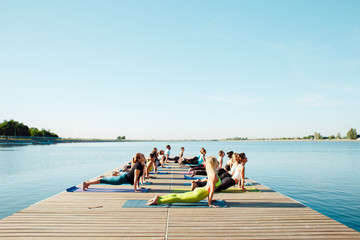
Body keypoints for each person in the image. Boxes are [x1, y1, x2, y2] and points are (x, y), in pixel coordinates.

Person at [147, 156, 220, 207]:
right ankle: (159, 201)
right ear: (213, 163)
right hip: (200, 194)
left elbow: (209, 186)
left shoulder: (210, 172)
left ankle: (159, 198)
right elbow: (212, 189)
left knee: (178, 196)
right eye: (216, 161)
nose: (218, 162)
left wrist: (210, 199)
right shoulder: (214, 174)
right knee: (178, 198)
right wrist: (209, 203)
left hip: (201, 191)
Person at [82, 153, 147, 192]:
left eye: (143, 155)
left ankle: (89, 182)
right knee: (105, 180)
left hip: (126, 177)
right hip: (122, 179)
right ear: (139, 159)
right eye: (142, 156)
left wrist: (139, 186)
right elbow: (135, 178)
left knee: (106, 179)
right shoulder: (138, 165)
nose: (144, 156)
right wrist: (135, 189)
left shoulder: (142, 164)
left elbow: (138, 177)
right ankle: (87, 183)